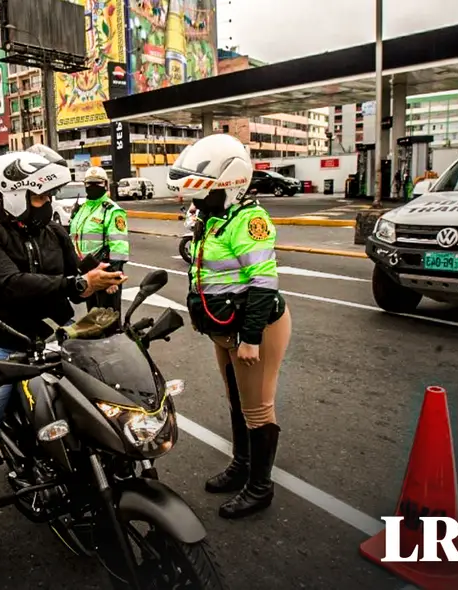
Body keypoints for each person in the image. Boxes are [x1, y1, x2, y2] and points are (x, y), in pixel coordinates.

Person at [0, 145, 126, 582]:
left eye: (49, 196)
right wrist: (76, 282)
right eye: (38, 196)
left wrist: (102, 271)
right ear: (12, 193)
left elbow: (75, 273)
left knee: (104, 403)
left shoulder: (52, 230)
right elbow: (10, 285)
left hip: (53, 336)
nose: (47, 204)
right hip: (0, 343)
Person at [165, 133, 292, 520]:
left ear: (230, 186)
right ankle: (241, 465)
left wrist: (251, 338)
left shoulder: (250, 220)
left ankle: (260, 487)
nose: (195, 202)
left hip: (254, 330)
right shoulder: (216, 218)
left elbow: (263, 284)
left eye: (203, 194)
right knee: (236, 401)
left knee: (257, 408)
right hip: (225, 329)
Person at [69, 166, 130, 320]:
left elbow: (119, 247)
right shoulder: (81, 209)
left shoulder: (112, 210)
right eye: (89, 183)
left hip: (104, 272)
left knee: (108, 319)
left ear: (106, 185)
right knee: (92, 317)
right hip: (86, 272)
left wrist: (112, 278)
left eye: (98, 183)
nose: (93, 187)